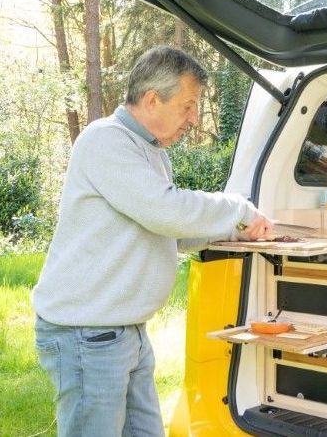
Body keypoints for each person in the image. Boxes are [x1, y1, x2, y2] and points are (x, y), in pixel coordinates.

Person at [32, 46, 274, 436]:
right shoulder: (105, 141)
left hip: (123, 329)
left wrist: (237, 231)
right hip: (87, 334)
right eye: (188, 106)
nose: (194, 119)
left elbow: (167, 227)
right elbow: (165, 210)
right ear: (151, 99)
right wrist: (238, 209)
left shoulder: (150, 151)